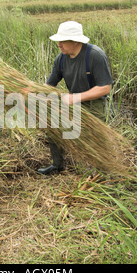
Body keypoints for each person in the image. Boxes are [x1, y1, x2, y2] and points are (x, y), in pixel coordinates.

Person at [37, 21, 113, 175]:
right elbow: (50, 85)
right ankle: (57, 165)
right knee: (53, 127)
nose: (59, 45)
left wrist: (75, 98)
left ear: (75, 41)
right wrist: (31, 91)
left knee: (94, 139)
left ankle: (102, 172)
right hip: (73, 101)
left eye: (62, 41)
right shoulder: (61, 59)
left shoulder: (95, 55)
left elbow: (105, 87)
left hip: (94, 104)